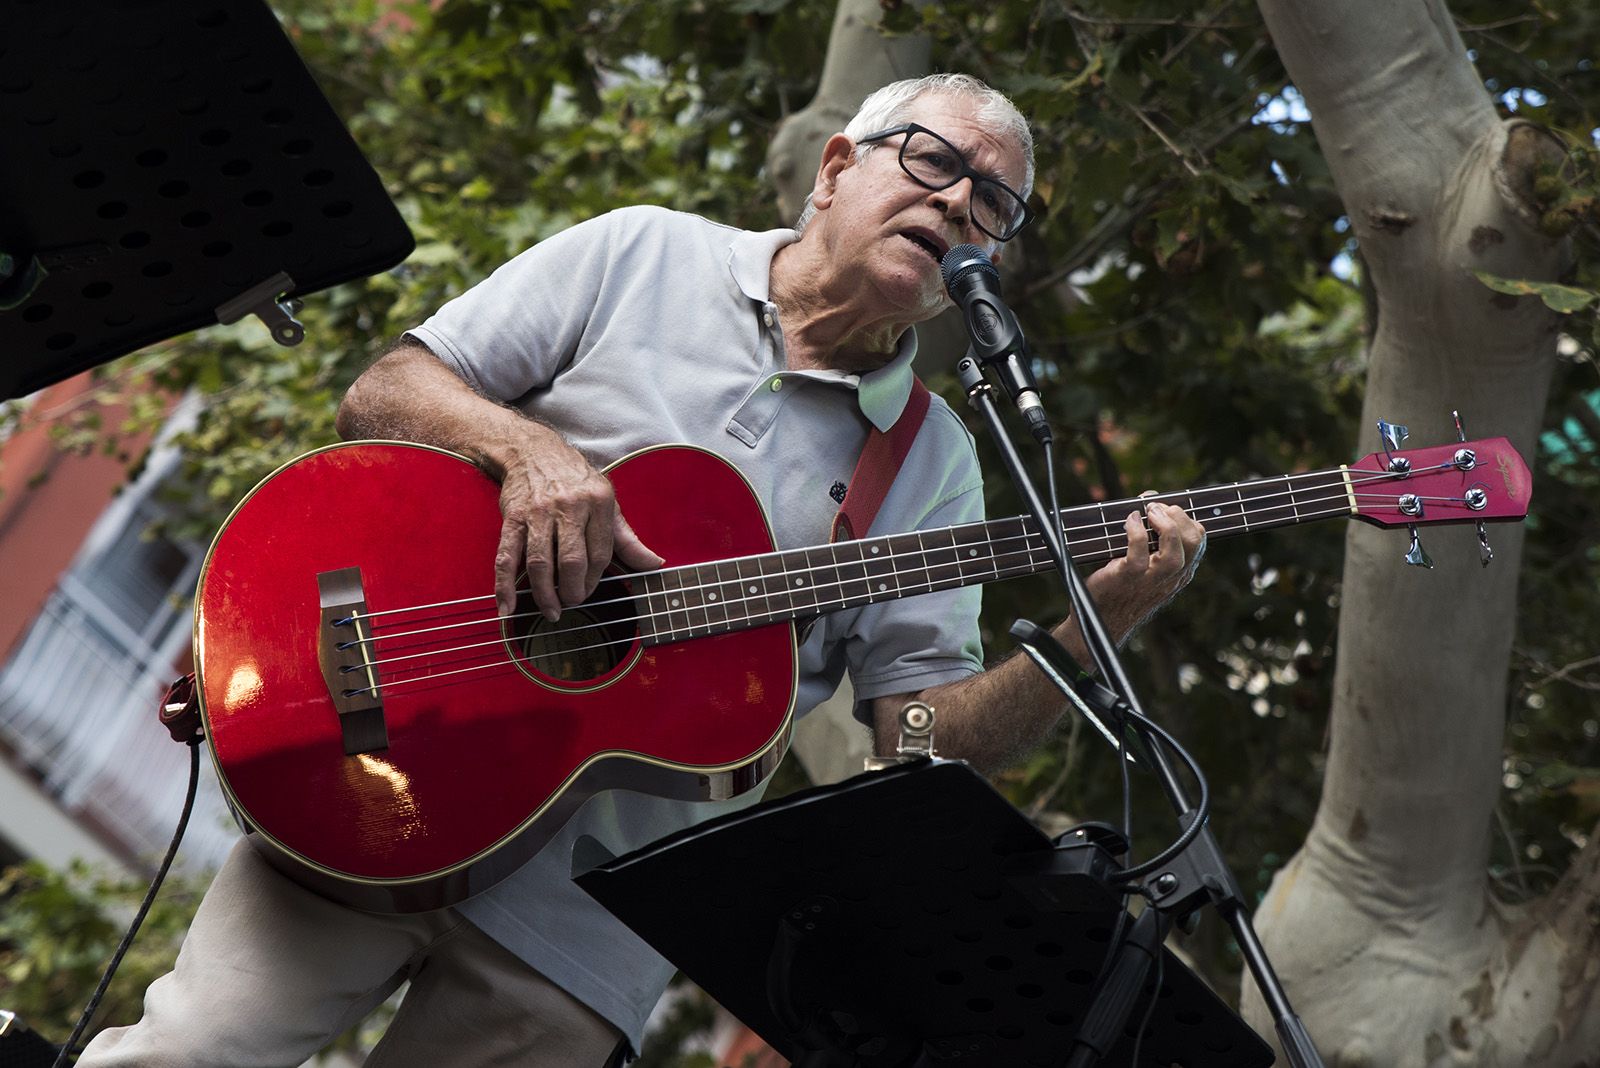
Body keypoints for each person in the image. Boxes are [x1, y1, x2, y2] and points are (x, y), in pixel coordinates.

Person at [80, 73, 1204, 1067]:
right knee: (186, 1053)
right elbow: (384, 393)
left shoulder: (939, 462)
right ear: (833, 168)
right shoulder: (644, 251)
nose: (959, 203)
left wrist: (1089, 627)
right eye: (934, 161)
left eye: (991, 203)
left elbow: (915, 739)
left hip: (590, 933)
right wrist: (530, 454)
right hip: (388, 777)